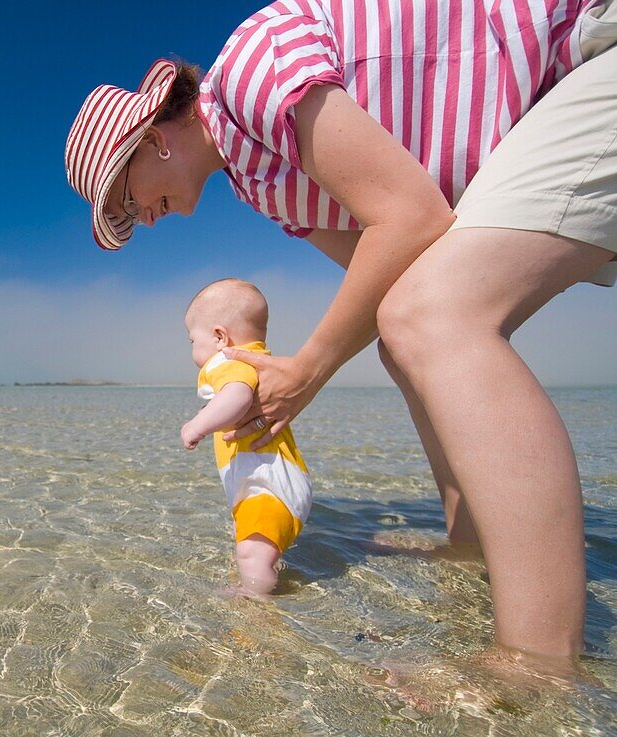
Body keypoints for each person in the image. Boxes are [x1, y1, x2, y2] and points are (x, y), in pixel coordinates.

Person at [65, 0, 616, 663]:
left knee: (431, 317)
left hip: (581, 54)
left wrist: (306, 370)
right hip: (553, 104)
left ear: (151, 138)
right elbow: (386, 272)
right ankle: (472, 542)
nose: (141, 221)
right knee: (404, 332)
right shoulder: (255, 181)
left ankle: (537, 662)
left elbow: (412, 219)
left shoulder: (246, 74)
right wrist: (301, 367)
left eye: (125, 200)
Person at [181, 278, 312, 595]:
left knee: (250, 556)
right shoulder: (259, 359)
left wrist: (198, 424)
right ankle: (267, 573)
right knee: (256, 549)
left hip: (266, 487)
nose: (192, 351)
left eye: (191, 341)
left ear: (219, 336)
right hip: (276, 484)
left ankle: (256, 603)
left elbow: (237, 397)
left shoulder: (228, 361)